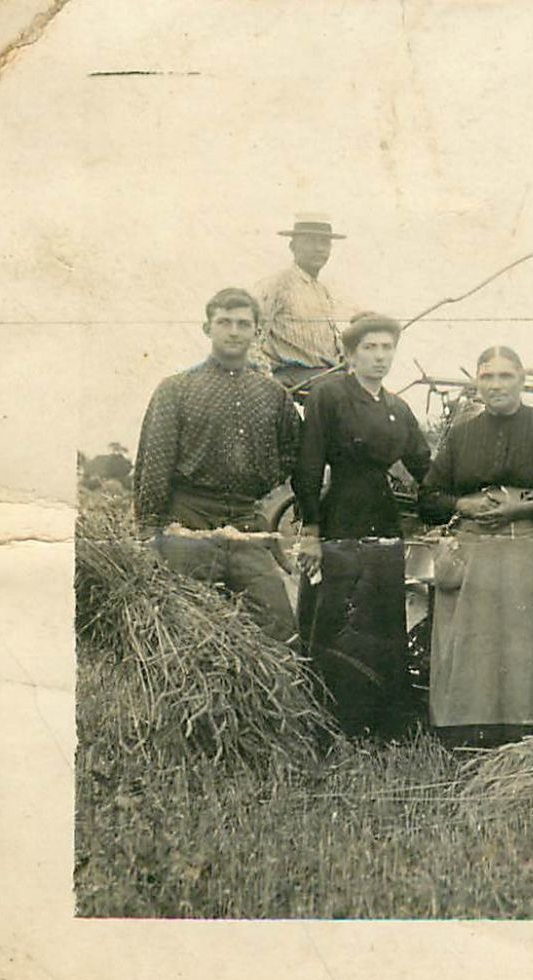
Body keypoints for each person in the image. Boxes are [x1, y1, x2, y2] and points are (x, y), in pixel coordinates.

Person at [418, 346, 533, 748]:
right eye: (487, 377)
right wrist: (463, 504)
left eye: (505, 376)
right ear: (477, 383)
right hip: (477, 552)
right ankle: (469, 734)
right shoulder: (462, 435)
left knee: (532, 649)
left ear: (522, 380)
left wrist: (524, 507)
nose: (496, 385)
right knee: (476, 647)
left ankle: (532, 735)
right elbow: (428, 498)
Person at [292, 312, 432, 738]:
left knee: (382, 621)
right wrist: (312, 531)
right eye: (369, 348)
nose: (379, 356)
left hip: (385, 522)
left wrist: (460, 500)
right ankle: (332, 725)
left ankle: (382, 726)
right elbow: (309, 465)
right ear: (349, 354)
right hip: (339, 521)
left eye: (387, 348)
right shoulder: (329, 395)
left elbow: (426, 467)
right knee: (337, 622)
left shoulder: (397, 407)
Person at [133, 288, 300, 641]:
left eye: (243, 323)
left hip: (245, 524)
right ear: (207, 328)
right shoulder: (176, 389)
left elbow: (293, 452)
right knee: (184, 635)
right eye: (224, 322)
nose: (234, 331)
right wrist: (149, 531)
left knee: (279, 628)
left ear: (257, 331)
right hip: (187, 524)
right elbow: (155, 461)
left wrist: (262, 478)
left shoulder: (273, 395)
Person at [253, 214, 346, 392]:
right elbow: (250, 335)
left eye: (324, 242)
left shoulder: (322, 291)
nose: (319, 249)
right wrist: (264, 379)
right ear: (293, 246)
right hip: (292, 375)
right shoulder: (276, 285)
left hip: (327, 374)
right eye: (310, 241)